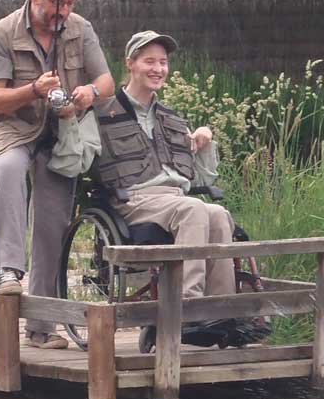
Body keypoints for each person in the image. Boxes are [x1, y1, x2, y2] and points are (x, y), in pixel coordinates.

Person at [0, 0, 114, 349]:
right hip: (11, 127)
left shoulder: (81, 29)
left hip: (61, 133)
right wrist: (33, 91)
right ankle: (6, 271)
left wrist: (90, 92)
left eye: (71, 3)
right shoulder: (0, 35)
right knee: (7, 169)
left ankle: (41, 327)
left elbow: (106, 80)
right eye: (57, 3)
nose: (64, 12)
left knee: (52, 221)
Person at [91, 30, 236, 298]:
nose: (158, 69)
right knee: (192, 209)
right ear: (130, 63)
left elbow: (202, 181)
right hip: (133, 201)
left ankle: (222, 307)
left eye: (163, 62)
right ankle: (187, 305)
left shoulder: (173, 118)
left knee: (217, 213)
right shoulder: (102, 115)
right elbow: (78, 161)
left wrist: (205, 142)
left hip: (176, 199)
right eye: (149, 61)